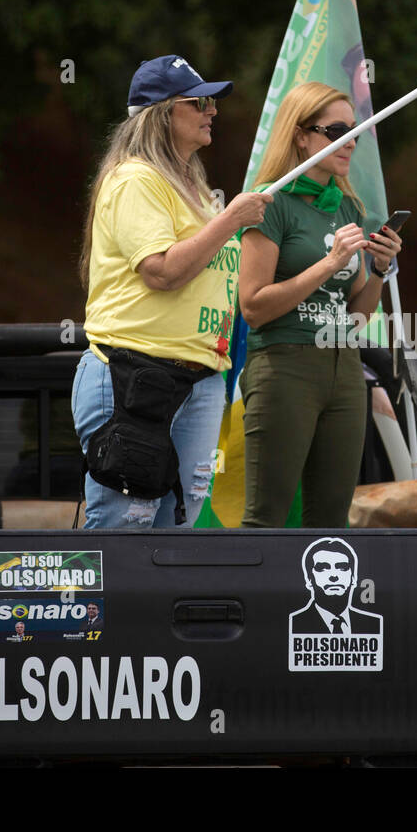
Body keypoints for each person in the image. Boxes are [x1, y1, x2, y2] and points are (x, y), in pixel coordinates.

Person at [73, 55, 271, 528]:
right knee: (126, 525)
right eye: (199, 102)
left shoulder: (193, 188)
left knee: (178, 531)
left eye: (212, 102)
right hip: (134, 374)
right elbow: (160, 271)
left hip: (199, 378)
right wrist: (229, 220)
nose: (213, 111)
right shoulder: (136, 179)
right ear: (162, 114)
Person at [237, 82, 403, 528]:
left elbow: (354, 317)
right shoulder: (269, 203)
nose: (349, 141)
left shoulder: (348, 206)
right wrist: (329, 264)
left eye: (355, 130)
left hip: (345, 367)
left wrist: (381, 270)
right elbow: (252, 306)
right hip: (284, 364)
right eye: (335, 130)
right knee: (266, 517)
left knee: (331, 520)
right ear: (301, 135)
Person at [288, 537, 381, 634]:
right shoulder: (294, 624)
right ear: (309, 579)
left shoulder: (373, 625)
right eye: (323, 568)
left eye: (342, 567)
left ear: (353, 577)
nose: (334, 576)